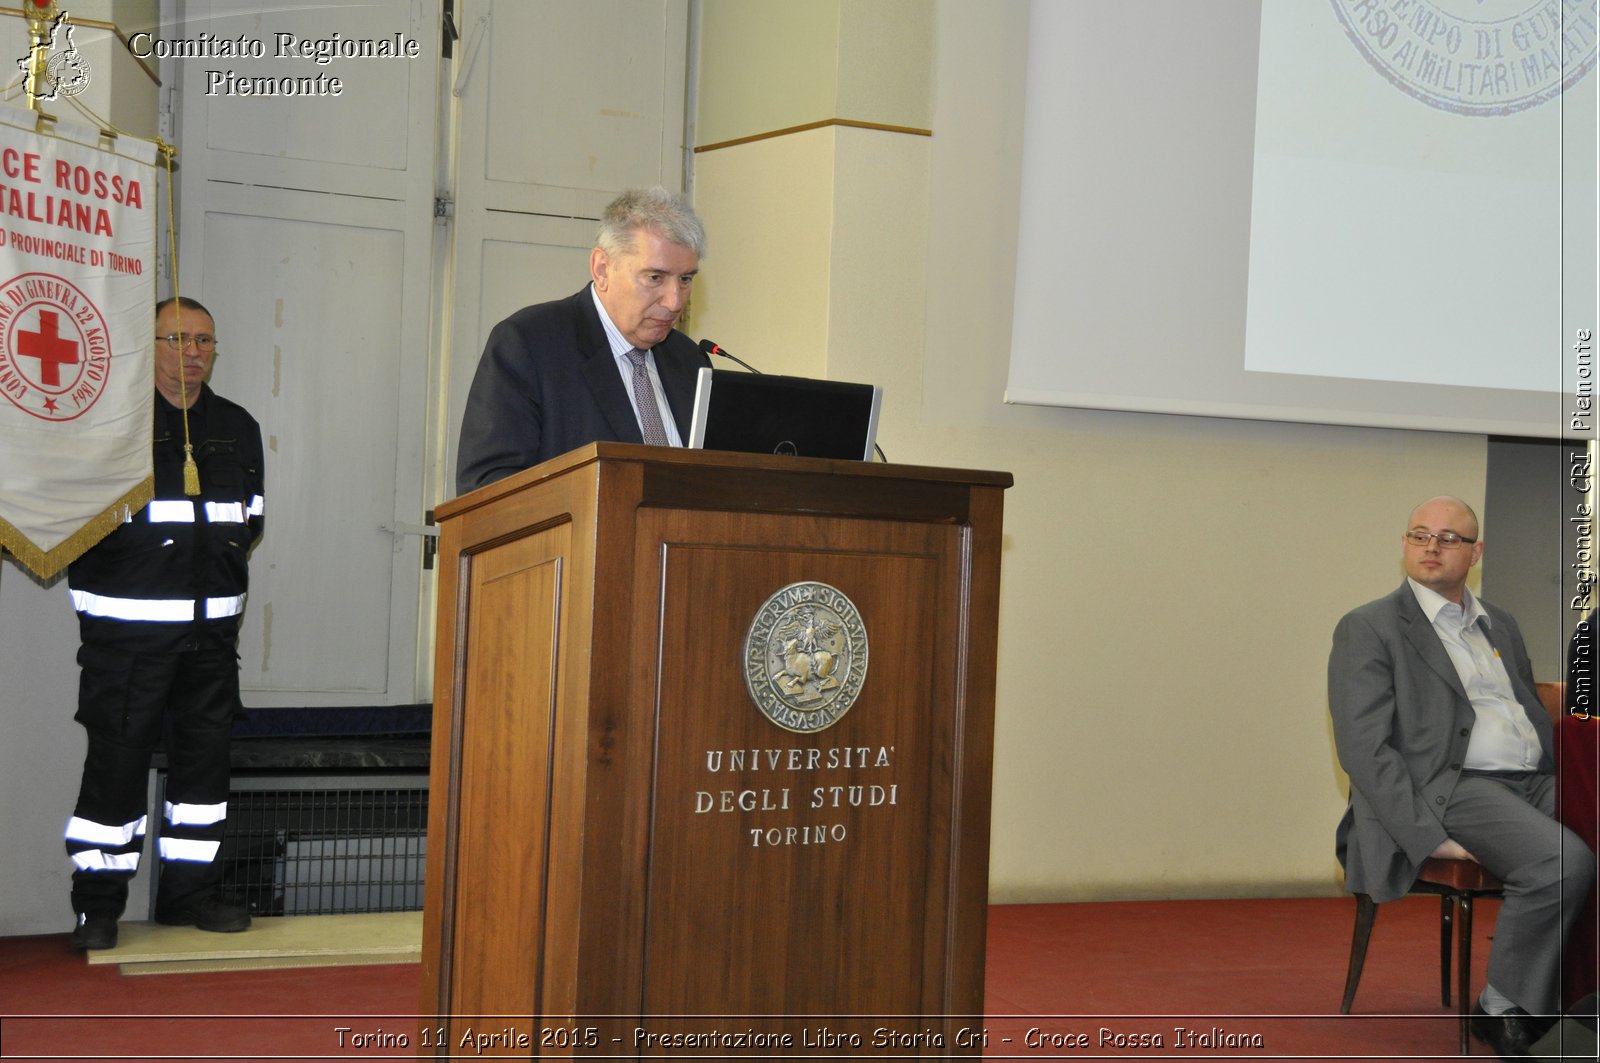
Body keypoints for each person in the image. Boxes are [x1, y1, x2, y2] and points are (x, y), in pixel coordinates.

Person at [1328, 495, 1594, 1058]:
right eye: (1420, 534)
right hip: (1454, 786)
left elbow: (1523, 708)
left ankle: (1579, 998)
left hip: (1534, 777)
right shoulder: (1369, 627)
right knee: (1562, 862)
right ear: (1404, 544)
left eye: (1449, 538)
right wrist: (1425, 832)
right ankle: (1501, 1007)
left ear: (1475, 552)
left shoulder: (1502, 622)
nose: (1431, 546)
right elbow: (1363, 747)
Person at [62, 296, 264, 950]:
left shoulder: (237, 427)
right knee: (114, 775)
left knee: (202, 782)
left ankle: (188, 897)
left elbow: (249, 521)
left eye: (204, 340)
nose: (193, 352)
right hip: (128, 648)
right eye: (177, 339)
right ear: (149, 345)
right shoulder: (111, 424)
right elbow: (73, 525)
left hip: (210, 647)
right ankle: (97, 906)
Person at [455, 185, 711, 495]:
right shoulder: (529, 345)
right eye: (655, 277)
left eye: (685, 279)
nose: (674, 301)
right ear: (602, 269)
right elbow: (486, 487)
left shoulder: (689, 360)